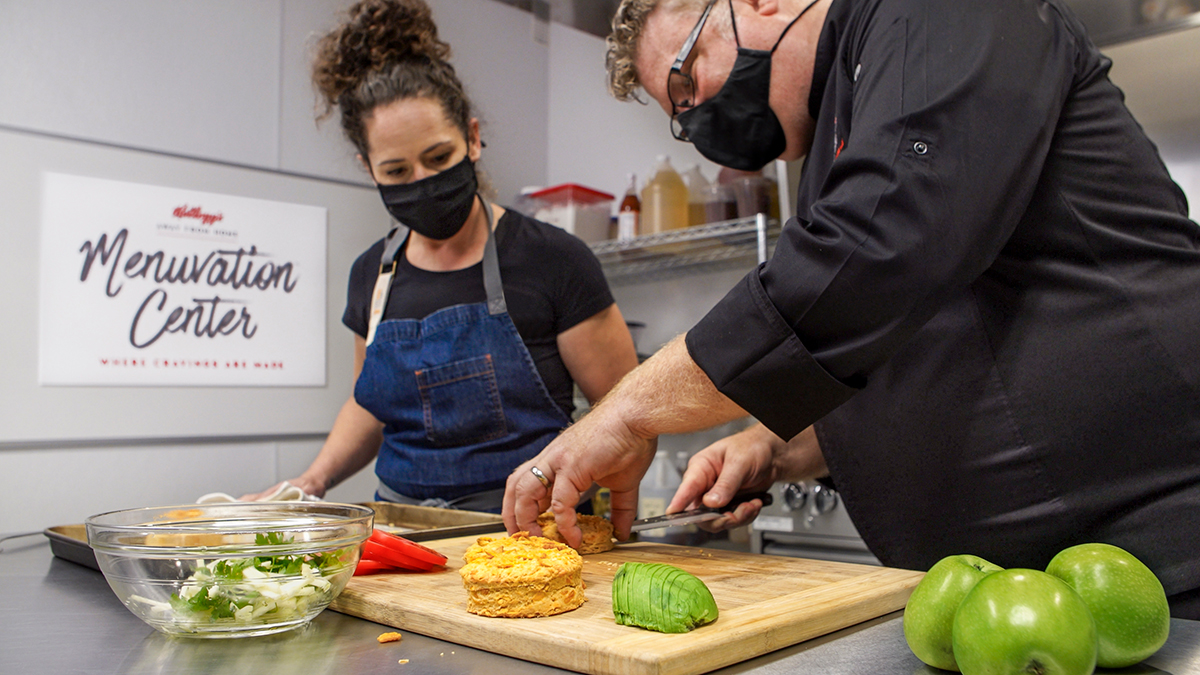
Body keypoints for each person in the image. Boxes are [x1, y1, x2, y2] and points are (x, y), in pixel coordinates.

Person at [503, 0, 1200, 618]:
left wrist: (625, 411)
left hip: (1144, 564)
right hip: (992, 601)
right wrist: (780, 449)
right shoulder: (847, 122)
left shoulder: (940, 14)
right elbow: (926, 343)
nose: (696, 120)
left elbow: (879, 248)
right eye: (678, 119)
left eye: (687, 81)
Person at [245, 0, 638, 512]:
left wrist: (607, 497)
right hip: (399, 527)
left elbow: (626, 411)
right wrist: (310, 482)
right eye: (397, 171)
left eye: (437, 158)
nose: (423, 183)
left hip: (527, 531)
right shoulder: (373, 276)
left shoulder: (553, 260)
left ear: (472, 139)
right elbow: (370, 405)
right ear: (369, 169)